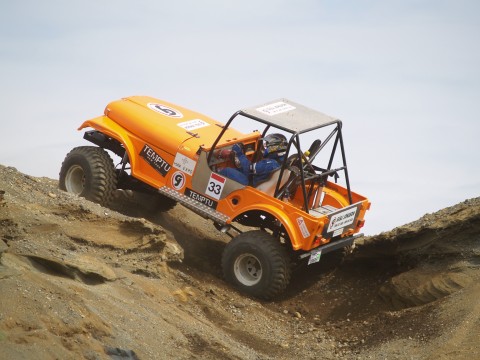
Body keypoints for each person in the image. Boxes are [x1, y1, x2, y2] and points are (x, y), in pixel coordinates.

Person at [219, 133, 288, 186]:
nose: (265, 147)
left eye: (267, 145)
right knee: (236, 169)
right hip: (259, 183)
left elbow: (248, 168)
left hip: (251, 185)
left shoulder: (270, 164)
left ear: (274, 148)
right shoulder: (283, 162)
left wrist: (239, 153)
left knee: (226, 171)